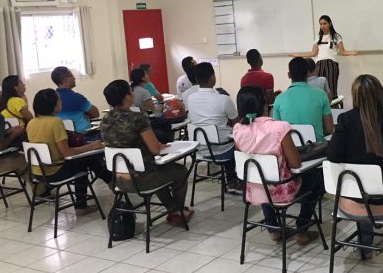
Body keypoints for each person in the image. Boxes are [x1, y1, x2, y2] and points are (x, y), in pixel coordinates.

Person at [327, 75, 383, 258]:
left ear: (354, 96)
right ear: (381, 94)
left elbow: (333, 156)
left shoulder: (346, 121)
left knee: (360, 190)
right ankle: (369, 242)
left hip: (350, 206)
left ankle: (365, 246)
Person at [233, 85, 324, 245]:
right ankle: (301, 230)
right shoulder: (279, 127)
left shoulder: (238, 130)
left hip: (254, 191)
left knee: (263, 177)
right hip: (282, 192)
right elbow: (296, 163)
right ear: (264, 105)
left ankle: (273, 228)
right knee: (317, 178)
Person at [100, 80, 192, 227]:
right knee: (180, 171)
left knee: (161, 171)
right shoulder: (137, 118)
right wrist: (159, 146)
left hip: (118, 180)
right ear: (127, 97)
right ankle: (178, 211)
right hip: (141, 179)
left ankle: (173, 209)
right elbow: (155, 149)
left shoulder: (105, 119)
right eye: (131, 92)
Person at [26, 88, 111, 215]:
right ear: (52, 105)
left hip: (37, 172)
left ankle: (110, 182)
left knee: (85, 160)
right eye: (59, 100)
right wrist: (91, 146)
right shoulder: (55, 122)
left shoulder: (31, 123)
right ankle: (83, 204)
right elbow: (67, 153)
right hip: (55, 171)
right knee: (86, 161)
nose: (61, 102)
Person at [186, 62, 240, 189]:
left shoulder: (190, 98)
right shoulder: (223, 99)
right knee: (238, 141)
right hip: (223, 151)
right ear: (212, 77)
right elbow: (237, 123)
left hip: (201, 150)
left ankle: (232, 179)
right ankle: (234, 180)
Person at [290, 15, 358, 99]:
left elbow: (343, 51)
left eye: (324, 23)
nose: (322, 26)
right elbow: (313, 53)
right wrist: (298, 55)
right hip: (319, 64)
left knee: (332, 87)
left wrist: (352, 52)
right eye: (321, 24)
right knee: (320, 88)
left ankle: (334, 106)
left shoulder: (336, 36)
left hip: (331, 63)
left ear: (329, 23)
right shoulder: (318, 37)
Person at [273, 57, 333, 142]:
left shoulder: (279, 99)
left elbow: (277, 132)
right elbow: (330, 129)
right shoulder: (321, 95)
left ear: (289, 75)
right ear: (308, 73)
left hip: (291, 151)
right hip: (317, 151)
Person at [0, 80, 28, 183]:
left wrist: (7, 131)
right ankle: (41, 192)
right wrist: (14, 134)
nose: (1, 92)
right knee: (26, 159)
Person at [51, 66, 100, 134]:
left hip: (62, 137)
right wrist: (85, 115)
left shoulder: (51, 98)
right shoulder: (76, 98)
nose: (74, 78)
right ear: (65, 79)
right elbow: (96, 113)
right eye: (72, 75)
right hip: (82, 137)